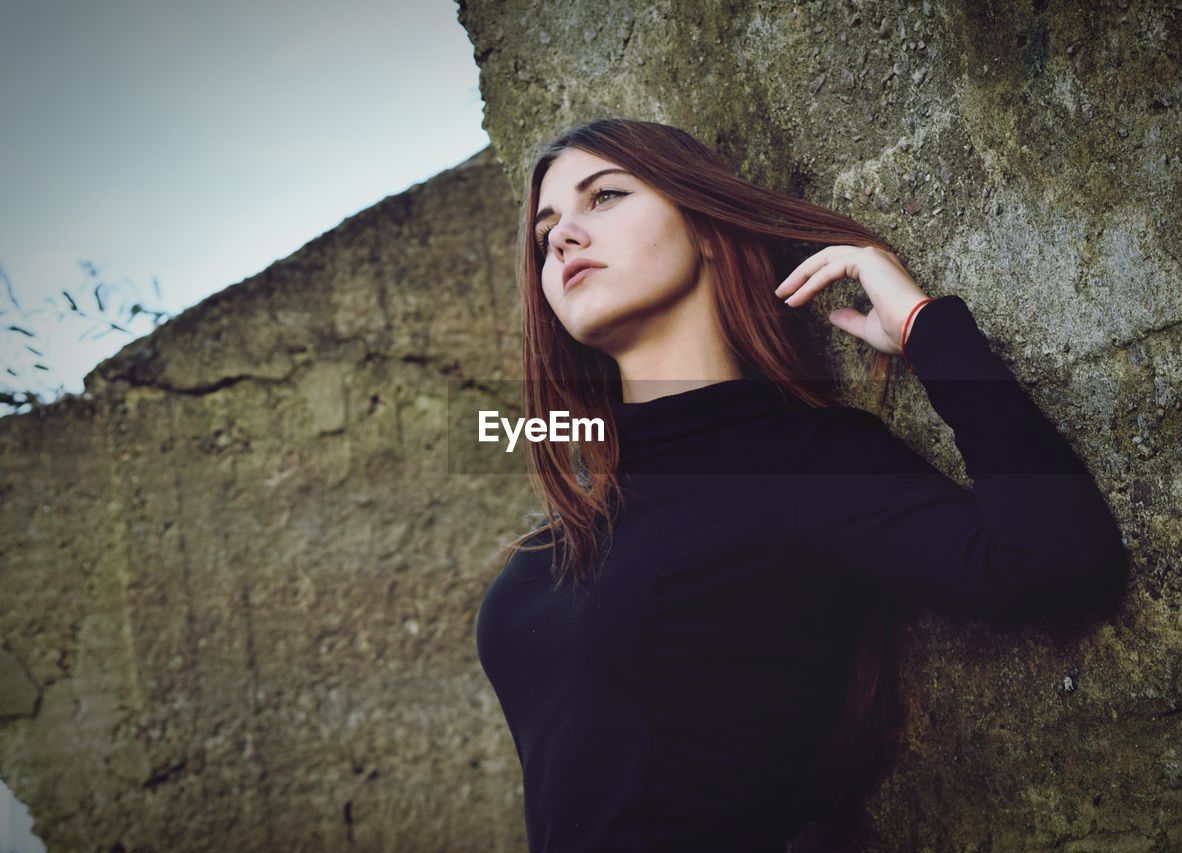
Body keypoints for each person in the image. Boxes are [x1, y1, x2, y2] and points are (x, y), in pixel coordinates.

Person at [474, 117, 1128, 852]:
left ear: (708, 232)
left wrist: (925, 328)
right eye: (545, 231)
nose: (561, 238)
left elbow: (1056, 557)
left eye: (605, 197)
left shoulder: (801, 461)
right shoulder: (570, 519)